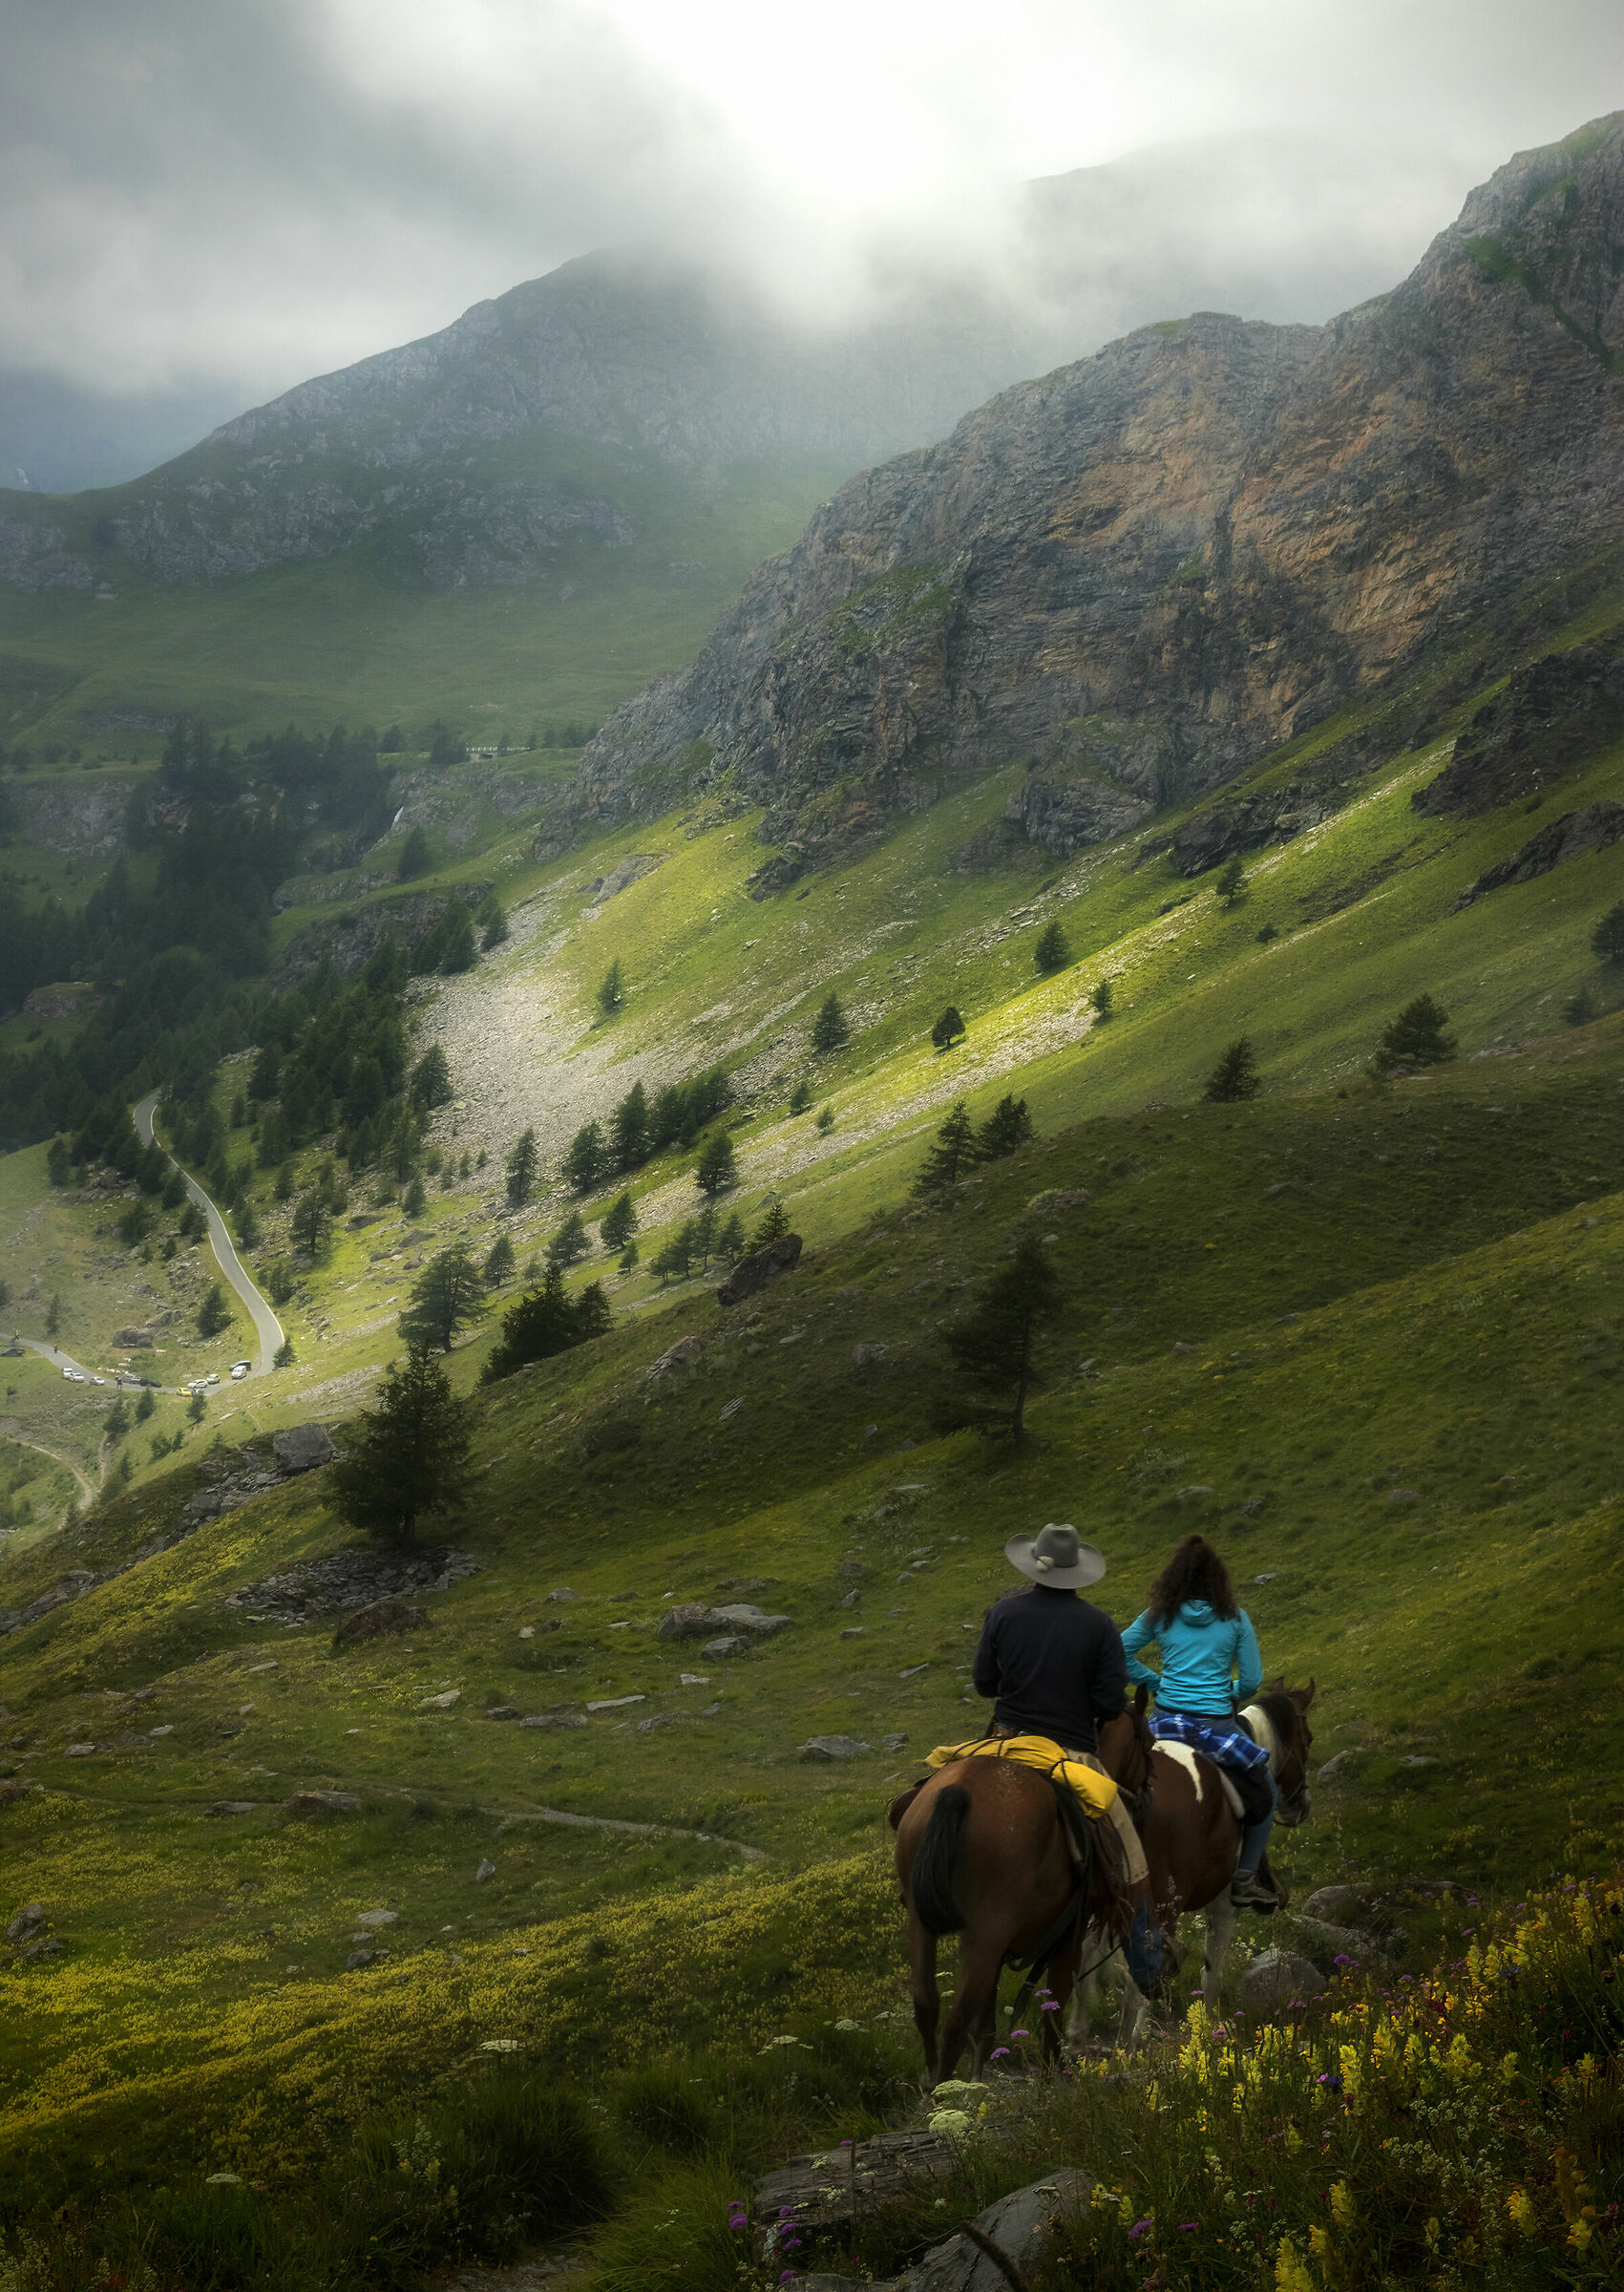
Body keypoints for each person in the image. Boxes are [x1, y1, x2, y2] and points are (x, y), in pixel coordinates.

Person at [973, 1521, 1164, 1985]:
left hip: (1002, 1742)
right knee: (1130, 1855)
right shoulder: (1097, 1626)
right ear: (1077, 1572)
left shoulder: (1002, 1612)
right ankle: (1148, 1966)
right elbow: (1106, 1704)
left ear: (1033, 1565)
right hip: (1069, 1754)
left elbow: (984, 1683)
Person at [1120, 1533, 1277, 1909]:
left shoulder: (1160, 1614)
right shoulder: (1235, 1619)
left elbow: (1118, 1650)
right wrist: (1229, 1692)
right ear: (1217, 1579)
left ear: (1174, 1577)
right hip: (1216, 1726)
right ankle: (1244, 1880)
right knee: (1266, 1794)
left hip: (1163, 1723)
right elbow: (1253, 1681)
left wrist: (1156, 1683)